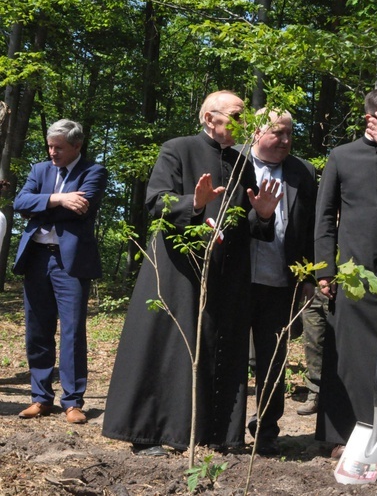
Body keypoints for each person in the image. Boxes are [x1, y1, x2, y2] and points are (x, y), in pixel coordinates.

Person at [102, 90, 280, 455]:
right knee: (170, 348)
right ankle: (152, 433)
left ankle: (216, 434)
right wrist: (194, 204)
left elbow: (247, 224)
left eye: (244, 116)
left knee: (222, 347)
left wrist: (262, 215)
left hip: (226, 271)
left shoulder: (243, 163)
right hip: (179, 268)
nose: (241, 123)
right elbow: (156, 201)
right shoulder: (177, 149)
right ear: (207, 117)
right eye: (234, 115)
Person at [314, 88, 377, 463]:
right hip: (354, 271)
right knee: (350, 355)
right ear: (369, 118)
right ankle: (342, 434)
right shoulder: (341, 156)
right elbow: (324, 216)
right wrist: (325, 268)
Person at [14, 119, 108, 424]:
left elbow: (82, 209)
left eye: (59, 147)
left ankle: (72, 402)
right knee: (37, 330)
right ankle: (40, 398)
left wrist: (39, 206)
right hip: (36, 259)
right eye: (49, 146)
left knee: (72, 332)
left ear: (77, 146)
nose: (52, 152)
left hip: (71, 263)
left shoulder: (94, 172)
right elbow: (20, 202)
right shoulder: (40, 170)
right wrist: (59, 198)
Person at [242, 109, 317, 455]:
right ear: (257, 132)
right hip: (237, 281)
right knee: (230, 355)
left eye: (290, 134)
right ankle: (224, 426)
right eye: (278, 133)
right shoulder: (234, 161)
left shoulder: (303, 172)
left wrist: (309, 276)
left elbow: (312, 229)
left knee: (274, 358)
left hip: (281, 281)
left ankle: (267, 429)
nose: (286, 141)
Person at [296, 288, 329, 416]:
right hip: (313, 290)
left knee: (341, 342)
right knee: (313, 343)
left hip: (338, 288)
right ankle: (315, 393)